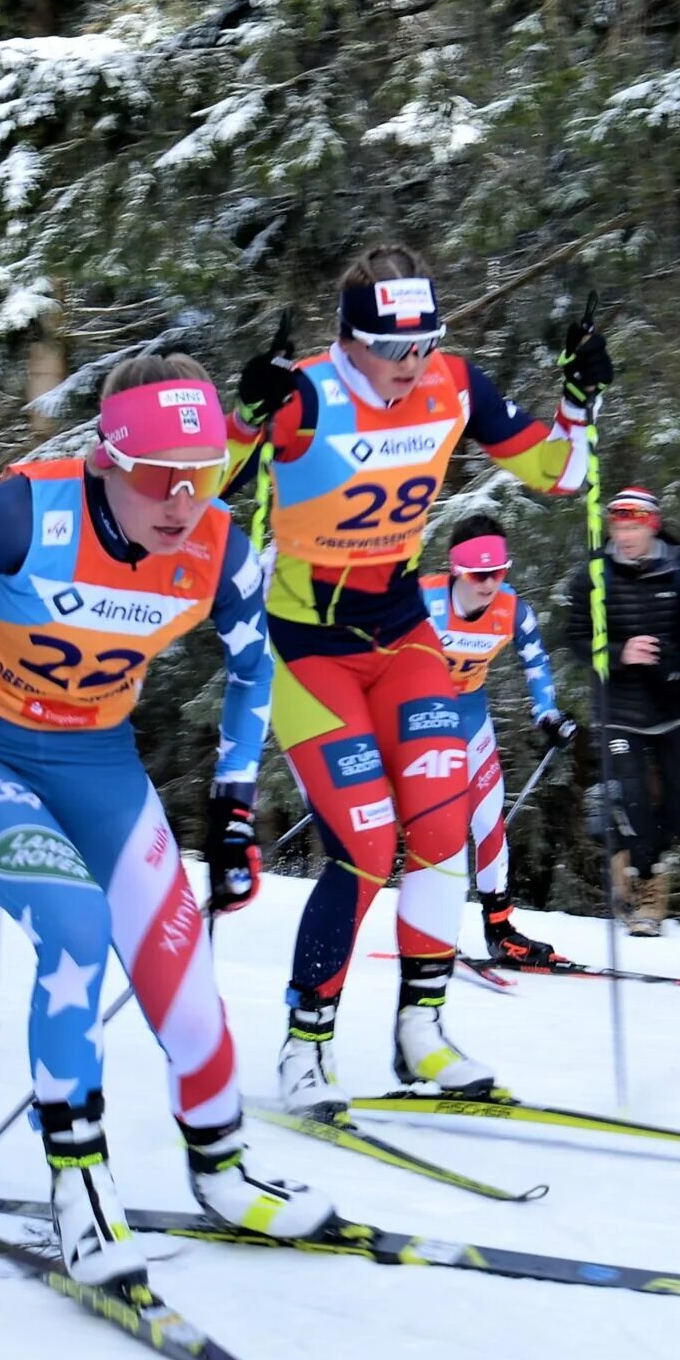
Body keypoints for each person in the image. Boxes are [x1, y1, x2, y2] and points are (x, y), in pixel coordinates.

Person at [0, 355, 332, 1282]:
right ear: (108, 458)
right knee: (73, 929)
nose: (182, 499)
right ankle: (79, 1183)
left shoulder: (221, 545)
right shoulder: (31, 512)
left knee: (180, 963)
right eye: (158, 476)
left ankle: (223, 1167)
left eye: (205, 472)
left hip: (99, 763)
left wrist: (233, 802)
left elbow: (253, 665)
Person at [232, 245, 611, 1114]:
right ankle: (306, 1042)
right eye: (392, 348)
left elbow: (564, 473)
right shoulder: (304, 395)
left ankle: (422, 1032)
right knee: (367, 848)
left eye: (424, 344)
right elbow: (206, 488)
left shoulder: (454, 385)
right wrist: (242, 420)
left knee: (443, 828)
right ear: (347, 340)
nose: (412, 365)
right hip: (310, 647)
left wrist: (580, 404)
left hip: (402, 636)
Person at [555, 487, 680, 936]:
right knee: (632, 798)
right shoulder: (594, 574)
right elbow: (573, 636)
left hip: (670, 704)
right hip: (618, 708)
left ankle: (631, 854)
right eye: (618, 528)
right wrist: (617, 651)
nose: (625, 537)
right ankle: (647, 892)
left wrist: (678, 665)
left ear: (651, 526)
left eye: (633, 527)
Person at [418, 517, 579, 967]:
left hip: (469, 714)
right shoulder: (423, 598)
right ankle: (425, 924)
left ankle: (499, 929)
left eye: (499, 572)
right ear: (455, 569)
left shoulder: (513, 611)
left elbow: (536, 664)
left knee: (489, 817)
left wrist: (547, 714)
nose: (489, 583)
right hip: (418, 716)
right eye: (478, 574)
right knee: (434, 823)